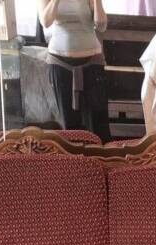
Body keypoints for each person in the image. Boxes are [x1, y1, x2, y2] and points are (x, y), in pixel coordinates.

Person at [39, 0, 111, 142]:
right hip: (59, 63)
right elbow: (45, 22)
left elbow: (101, 26)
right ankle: (72, 157)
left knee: (98, 125)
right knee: (68, 125)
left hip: (92, 63)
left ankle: (100, 155)